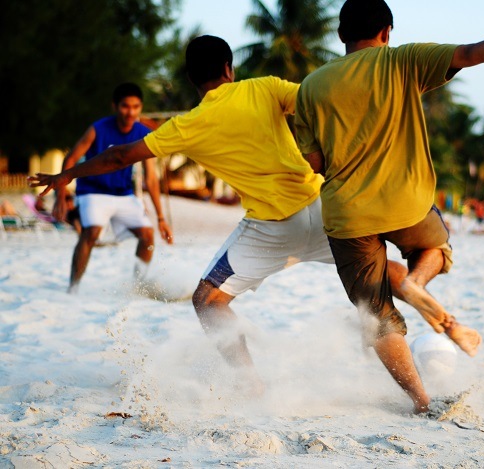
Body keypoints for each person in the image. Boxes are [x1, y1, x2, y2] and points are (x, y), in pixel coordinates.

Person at [30, 35, 411, 397]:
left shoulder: (187, 125)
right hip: (321, 205)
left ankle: (250, 381)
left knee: (207, 300)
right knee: (376, 273)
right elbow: (319, 102)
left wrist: (67, 175)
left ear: (192, 78)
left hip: (272, 225)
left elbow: (119, 156)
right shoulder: (263, 87)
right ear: (229, 68)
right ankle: (425, 308)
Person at [295, 0, 484, 412]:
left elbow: (313, 163)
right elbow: (473, 53)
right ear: (387, 32)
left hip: (348, 214)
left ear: (341, 35)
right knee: (435, 250)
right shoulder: (404, 61)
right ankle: (415, 281)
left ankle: (421, 400)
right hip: (408, 205)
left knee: (377, 316)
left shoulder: (311, 86)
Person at [50, 83, 173, 293]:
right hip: (92, 190)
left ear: (141, 107)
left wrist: (161, 217)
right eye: (126, 106)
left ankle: (138, 285)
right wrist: (60, 197)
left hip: (123, 194)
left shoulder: (144, 132)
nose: (131, 112)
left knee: (148, 235)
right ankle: (73, 287)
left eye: (136, 107)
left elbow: (151, 178)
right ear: (115, 106)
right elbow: (71, 159)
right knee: (92, 232)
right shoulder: (98, 128)